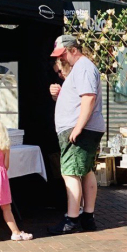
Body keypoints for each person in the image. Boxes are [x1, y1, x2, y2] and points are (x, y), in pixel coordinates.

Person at [48, 35, 105, 234]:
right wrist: (59, 95)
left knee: (70, 172)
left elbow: (89, 98)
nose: (61, 59)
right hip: (82, 128)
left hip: (79, 129)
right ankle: (87, 217)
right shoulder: (81, 69)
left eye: (63, 54)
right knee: (85, 170)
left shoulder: (83, 67)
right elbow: (79, 99)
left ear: (73, 50)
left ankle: (71, 220)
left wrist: (78, 127)